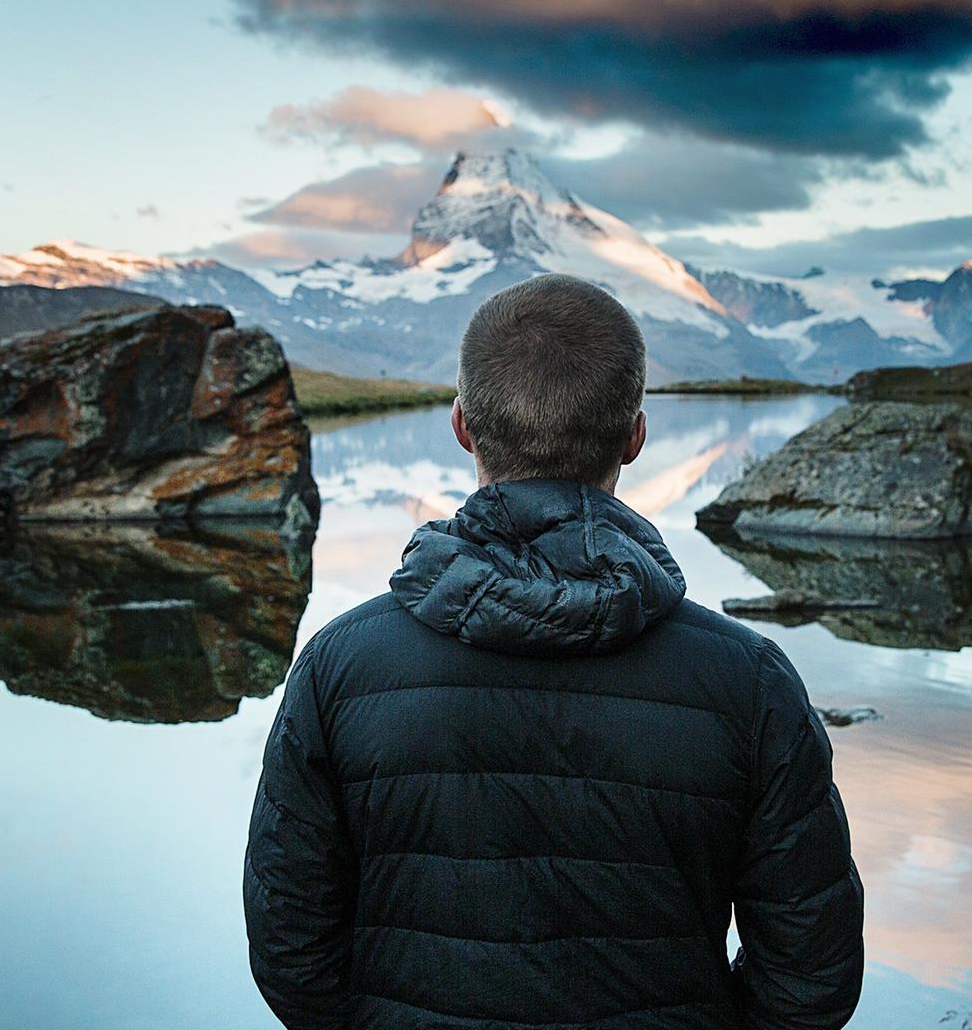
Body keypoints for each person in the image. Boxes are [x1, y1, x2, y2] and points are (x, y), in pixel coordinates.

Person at [243, 274, 865, 1028]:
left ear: (463, 426)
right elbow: (812, 974)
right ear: (635, 436)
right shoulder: (749, 681)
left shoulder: (339, 667)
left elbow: (292, 950)